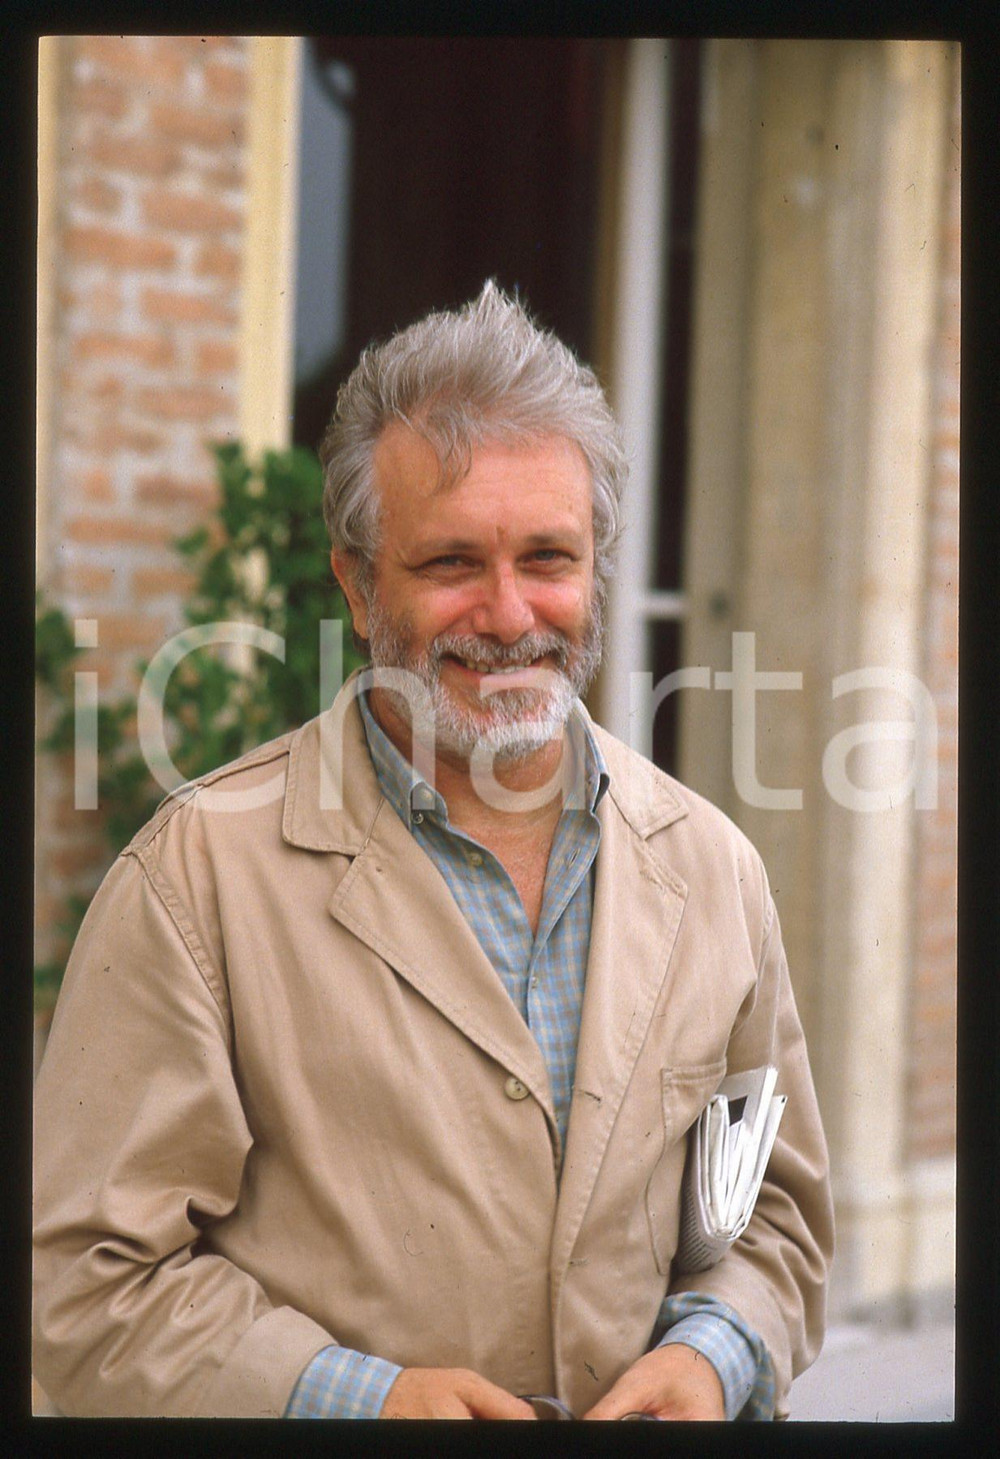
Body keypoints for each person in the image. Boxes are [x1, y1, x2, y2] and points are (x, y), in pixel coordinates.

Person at [33, 282, 833, 1420]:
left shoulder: (713, 868)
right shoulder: (193, 881)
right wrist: (359, 1402)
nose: (510, 614)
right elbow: (80, 1288)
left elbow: (775, 1216)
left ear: (596, 568)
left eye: (548, 556)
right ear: (358, 585)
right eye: (452, 562)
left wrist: (714, 1353)